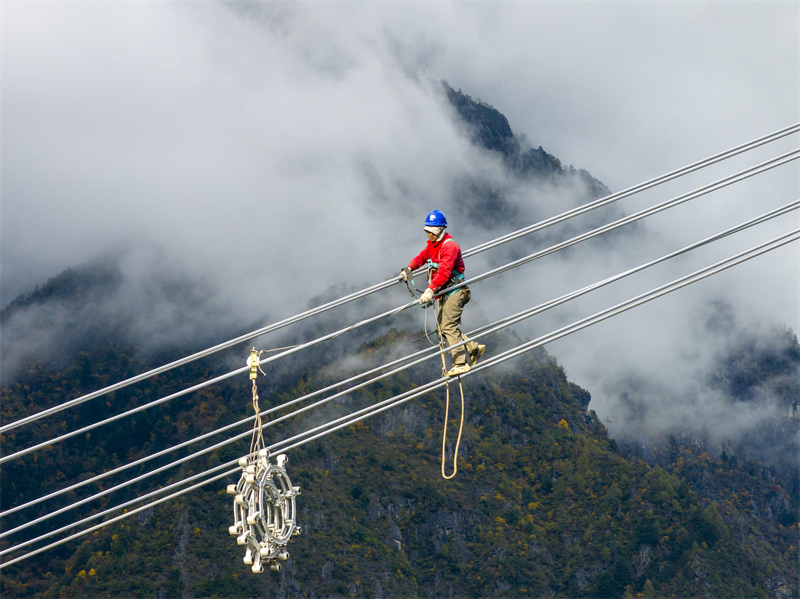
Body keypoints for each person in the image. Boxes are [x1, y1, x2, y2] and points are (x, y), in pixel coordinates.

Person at [399, 210, 485, 377]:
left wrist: (430, 290)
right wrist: (408, 269)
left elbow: (444, 272)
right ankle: (473, 348)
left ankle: (460, 363)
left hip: (455, 291)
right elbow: (422, 257)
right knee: (442, 328)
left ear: (439, 230)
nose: (429, 234)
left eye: (431, 230)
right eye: (427, 230)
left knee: (448, 327)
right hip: (445, 292)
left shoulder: (449, 246)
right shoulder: (433, 244)